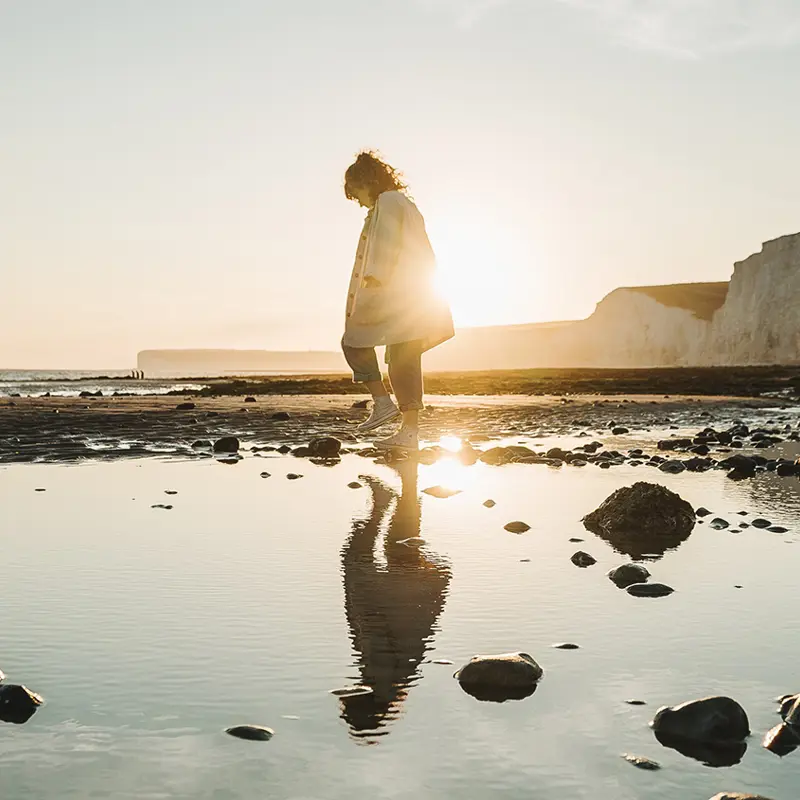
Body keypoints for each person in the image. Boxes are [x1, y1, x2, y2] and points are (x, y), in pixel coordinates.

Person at [341, 151, 454, 451]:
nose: (358, 200)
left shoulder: (389, 202)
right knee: (403, 361)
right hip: (412, 294)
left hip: (394, 292)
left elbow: (388, 242)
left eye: (356, 192)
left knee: (353, 341)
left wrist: (375, 279)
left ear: (366, 181)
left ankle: (382, 403)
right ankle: (410, 433)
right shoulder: (402, 203)